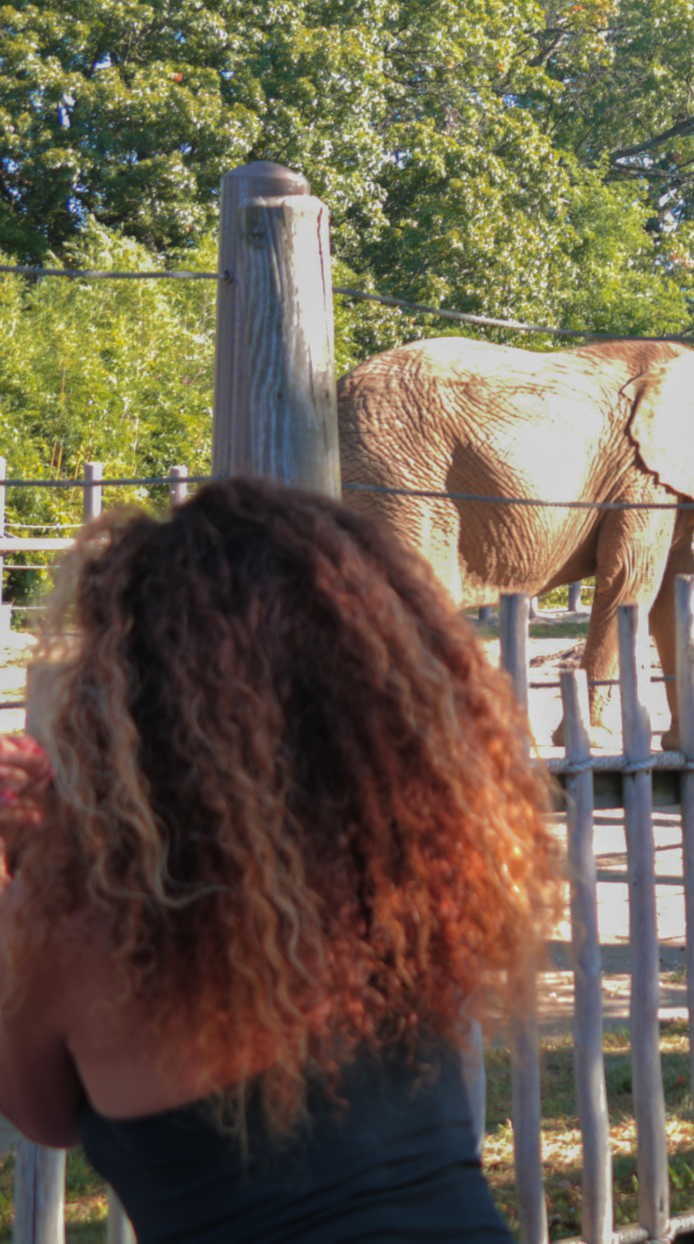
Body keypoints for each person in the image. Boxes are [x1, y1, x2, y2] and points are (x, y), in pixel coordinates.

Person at [0, 477, 558, 1243]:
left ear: (128, 689)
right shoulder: (399, 875)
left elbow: (42, 1112)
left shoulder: (75, 923)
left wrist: (22, 872)